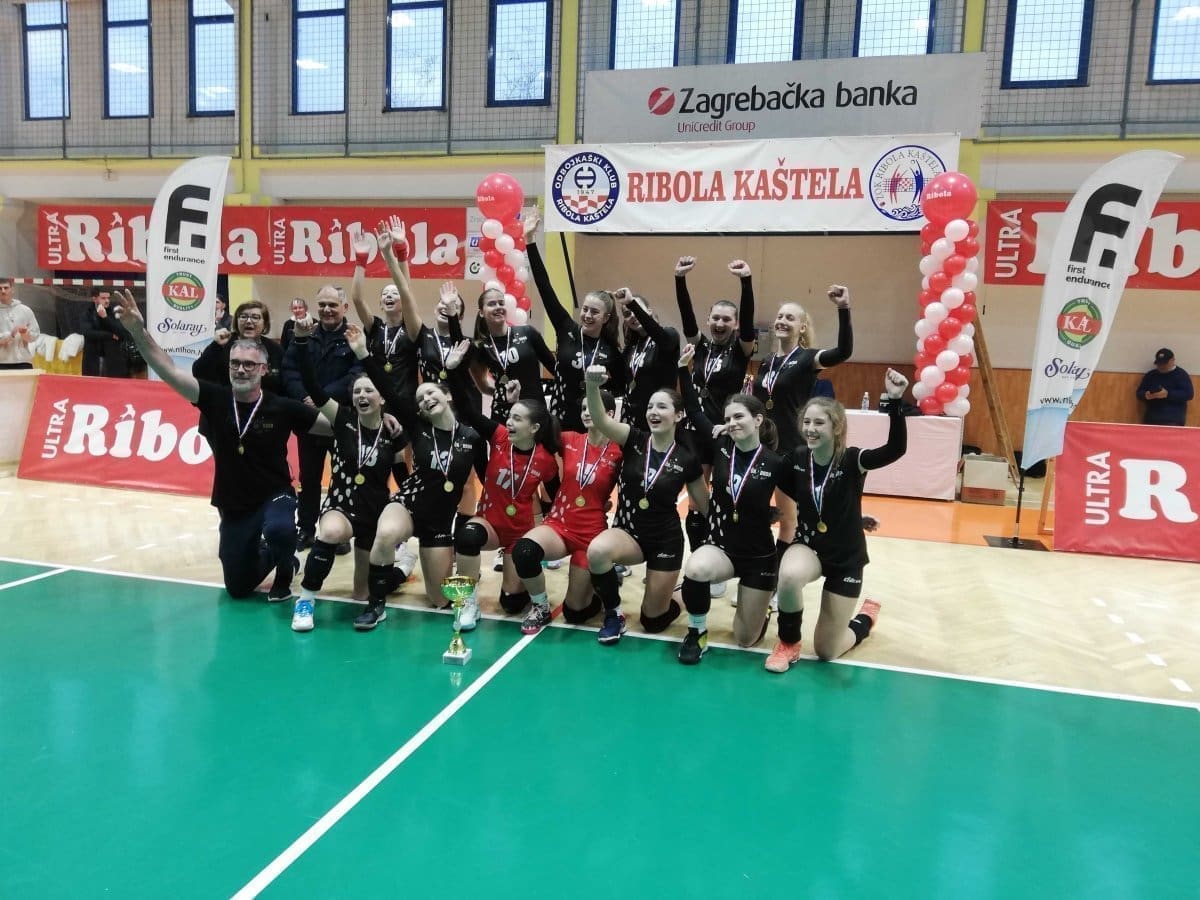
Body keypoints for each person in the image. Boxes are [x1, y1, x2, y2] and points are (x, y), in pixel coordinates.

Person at [111, 288, 332, 602]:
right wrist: (137, 330)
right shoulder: (214, 399)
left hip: (275, 494)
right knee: (238, 588)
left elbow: (334, 425)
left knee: (281, 530)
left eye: (249, 365)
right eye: (235, 364)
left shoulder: (282, 407)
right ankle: (270, 554)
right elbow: (167, 369)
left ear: (264, 369)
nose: (241, 369)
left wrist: (375, 418)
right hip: (234, 502)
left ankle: (286, 569)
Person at [766, 368, 909, 674]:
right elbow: (776, 481)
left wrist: (895, 401)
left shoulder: (853, 459)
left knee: (826, 651)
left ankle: (865, 618)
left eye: (819, 423)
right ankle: (788, 643)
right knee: (788, 576)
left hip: (846, 557)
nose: (811, 429)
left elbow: (895, 449)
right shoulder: (796, 459)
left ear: (837, 426)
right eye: (807, 422)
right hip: (810, 547)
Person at [289, 320, 409, 632]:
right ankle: (306, 599)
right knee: (329, 532)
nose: (362, 395)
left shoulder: (393, 432)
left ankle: (402, 571)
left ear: (382, 398)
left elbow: (402, 476)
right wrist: (301, 341)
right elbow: (313, 386)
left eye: (369, 390)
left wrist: (407, 510)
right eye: (357, 391)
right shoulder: (341, 420)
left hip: (374, 512)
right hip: (341, 506)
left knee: (362, 593)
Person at [674, 346, 789, 664]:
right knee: (696, 568)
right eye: (727, 419)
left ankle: (762, 608)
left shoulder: (776, 462)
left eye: (739, 416)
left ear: (758, 419)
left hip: (759, 557)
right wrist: (683, 368)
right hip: (722, 547)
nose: (732, 423)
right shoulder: (721, 445)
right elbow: (694, 410)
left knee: (745, 639)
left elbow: (803, 501)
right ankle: (697, 632)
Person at [583, 364, 707, 644]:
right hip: (629, 532)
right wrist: (592, 386)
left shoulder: (687, 458)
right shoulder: (634, 438)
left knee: (653, 621)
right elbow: (601, 421)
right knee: (598, 551)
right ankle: (613, 614)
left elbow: (704, 504)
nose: (653, 412)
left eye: (662, 407)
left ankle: (680, 593)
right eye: (650, 406)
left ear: (678, 415)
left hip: (665, 539)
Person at [443, 351, 561, 633]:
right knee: (467, 536)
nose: (508, 422)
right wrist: (454, 370)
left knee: (511, 603)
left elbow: (556, 496)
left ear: (534, 428)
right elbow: (468, 411)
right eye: (509, 416)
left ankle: (532, 596)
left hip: (519, 533)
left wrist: (546, 534)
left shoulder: (545, 460)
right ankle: (468, 602)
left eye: (516, 419)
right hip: (490, 523)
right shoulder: (498, 438)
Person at [510, 388, 624, 635]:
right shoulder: (569, 439)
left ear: (610, 414)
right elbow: (534, 430)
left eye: (592, 408)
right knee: (525, 551)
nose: (586, 413)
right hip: (559, 525)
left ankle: (601, 581)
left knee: (575, 613)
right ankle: (540, 607)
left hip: (590, 534)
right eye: (583, 408)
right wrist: (518, 404)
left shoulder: (619, 451)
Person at [751, 285, 853, 560]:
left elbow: (844, 351)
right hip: (761, 448)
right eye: (780, 316)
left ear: (802, 327)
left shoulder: (809, 359)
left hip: (789, 449)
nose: (782, 321)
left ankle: (777, 573)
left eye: (790, 317)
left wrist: (843, 308)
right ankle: (757, 568)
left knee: (787, 519)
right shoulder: (767, 362)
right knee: (756, 512)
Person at [523, 211, 625, 431]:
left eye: (594, 312)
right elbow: (544, 287)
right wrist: (529, 241)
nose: (587, 315)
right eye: (585, 309)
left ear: (606, 318)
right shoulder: (566, 329)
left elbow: (620, 387)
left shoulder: (610, 349)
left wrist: (603, 385)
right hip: (560, 423)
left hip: (592, 427)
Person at [281, 285, 362, 550]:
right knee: (309, 478)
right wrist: (305, 398)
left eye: (333, 305)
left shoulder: (354, 336)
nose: (327, 310)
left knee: (343, 478)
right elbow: (289, 371)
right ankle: (305, 529)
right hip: (309, 421)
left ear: (344, 308)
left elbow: (355, 375)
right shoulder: (304, 335)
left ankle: (340, 532)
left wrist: (321, 399)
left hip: (341, 422)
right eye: (322, 305)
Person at [470, 285, 556, 427]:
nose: (498, 307)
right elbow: (483, 387)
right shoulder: (480, 347)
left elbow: (555, 369)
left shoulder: (528, 333)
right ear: (481, 312)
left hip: (534, 411)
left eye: (501, 303)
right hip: (503, 414)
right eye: (492, 304)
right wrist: (501, 394)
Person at [617, 288, 681, 428]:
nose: (633, 315)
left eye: (637, 309)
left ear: (650, 311)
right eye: (627, 314)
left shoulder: (669, 335)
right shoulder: (630, 348)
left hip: (659, 417)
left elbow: (661, 337)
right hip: (633, 419)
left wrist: (631, 303)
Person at [192, 300, 283, 394]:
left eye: (255, 317)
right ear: (236, 321)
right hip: (226, 399)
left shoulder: (275, 350)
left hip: (264, 401)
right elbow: (198, 371)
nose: (248, 321)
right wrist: (216, 346)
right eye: (243, 317)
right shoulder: (223, 343)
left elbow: (281, 384)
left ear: (265, 323)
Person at [82, 287, 131, 377]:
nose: (107, 301)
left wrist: (105, 318)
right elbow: (88, 332)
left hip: (112, 361)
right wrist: (110, 335)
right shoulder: (88, 313)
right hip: (93, 359)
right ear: (94, 299)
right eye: (103, 298)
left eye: (108, 298)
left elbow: (122, 333)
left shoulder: (114, 312)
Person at [1137, 348, 1193, 426]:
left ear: (1172, 360)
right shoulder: (1151, 375)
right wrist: (1146, 395)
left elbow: (1188, 394)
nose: (1161, 366)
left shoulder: (1181, 375)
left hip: (1173, 420)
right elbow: (1139, 393)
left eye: (1164, 363)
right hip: (1151, 418)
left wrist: (1167, 394)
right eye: (1159, 363)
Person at [0, 277, 40, 370]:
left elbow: (35, 335)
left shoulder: (25, 310)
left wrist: (25, 333)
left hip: (23, 361)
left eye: (6, 288)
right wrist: (11, 334)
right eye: (0, 288)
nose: (3, 291)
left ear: (12, 289)